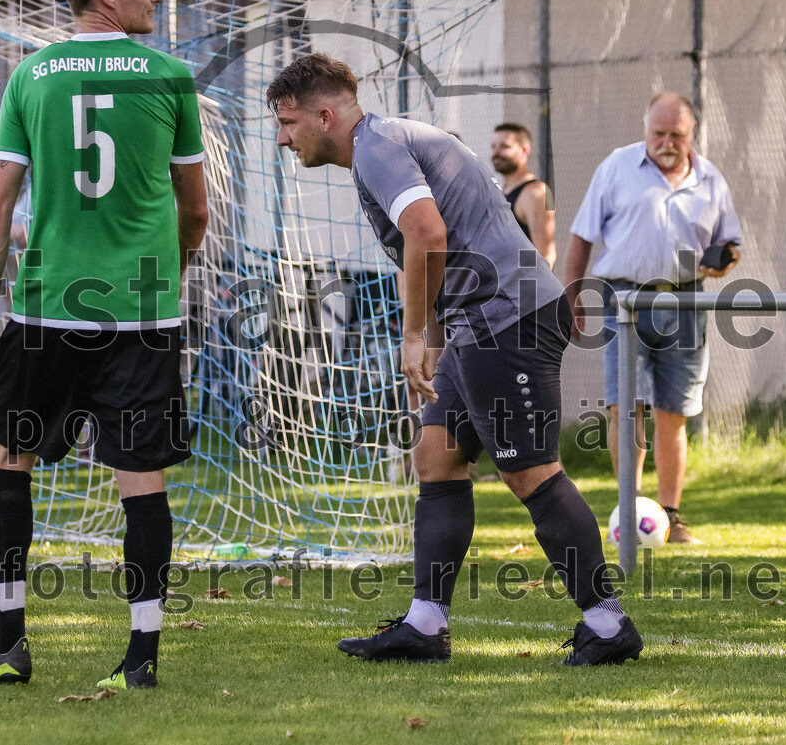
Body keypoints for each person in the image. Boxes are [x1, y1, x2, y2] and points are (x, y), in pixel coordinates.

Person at [267, 53, 642, 667]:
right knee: (436, 458)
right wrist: (436, 346)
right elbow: (448, 244)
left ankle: (607, 623)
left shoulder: (376, 147)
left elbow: (428, 234)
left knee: (531, 474)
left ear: (324, 115)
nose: (283, 138)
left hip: (507, 319)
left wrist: (413, 335)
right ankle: (424, 625)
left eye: (286, 123)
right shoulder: (385, 141)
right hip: (477, 324)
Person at [0, 0, 208, 690]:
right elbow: (196, 211)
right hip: (143, 315)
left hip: (45, 310)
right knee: (142, 479)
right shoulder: (169, 78)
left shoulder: (31, 76)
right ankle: (142, 657)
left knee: (9, 460)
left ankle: (7, 645)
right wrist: (169, 272)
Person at [564, 93, 741, 544]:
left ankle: (671, 515)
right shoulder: (615, 168)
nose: (666, 142)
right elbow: (582, 236)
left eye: (676, 135)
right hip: (621, 299)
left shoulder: (710, 179)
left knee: (673, 412)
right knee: (627, 408)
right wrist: (571, 294)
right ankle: (629, 510)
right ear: (646, 130)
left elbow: (728, 246)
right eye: (658, 133)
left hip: (685, 300)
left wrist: (725, 260)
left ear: (691, 134)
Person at [490, 122, 556, 268]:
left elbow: (546, 254)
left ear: (525, 149)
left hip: (523, 288)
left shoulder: (537, 192)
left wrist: (530, 289)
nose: (496, 153)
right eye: (493, 147)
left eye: (504, 147)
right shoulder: (500, 192)